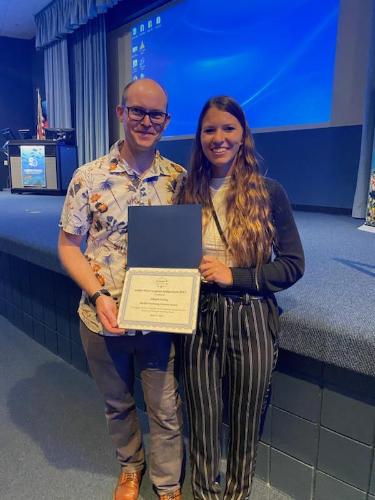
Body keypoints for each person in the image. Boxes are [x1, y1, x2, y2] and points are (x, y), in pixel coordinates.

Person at [58, 79, 186, 500]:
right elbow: (68, 246)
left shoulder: (179, 182)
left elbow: (187, 250)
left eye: (156, 115)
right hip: (101, 319)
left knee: (165, 411)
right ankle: (131, 467)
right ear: (120, 112)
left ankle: (167, 486)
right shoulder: (88, 177)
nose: (146, 122)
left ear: (166, 121)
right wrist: (98, 295)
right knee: (117, 405)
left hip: (158, 322)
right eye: (138, 111)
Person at [179, 96, 305, 500]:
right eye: (209, 129)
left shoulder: (270, 192)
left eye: (228, 128)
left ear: (243, 135)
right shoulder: (187, 192)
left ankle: (235, 496)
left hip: (251, 319)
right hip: (198, 316)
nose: (219, 137)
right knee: (201, 419)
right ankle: (202, 494)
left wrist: (233, 275)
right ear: (199, 138)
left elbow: (291, 265)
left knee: (245, 422)